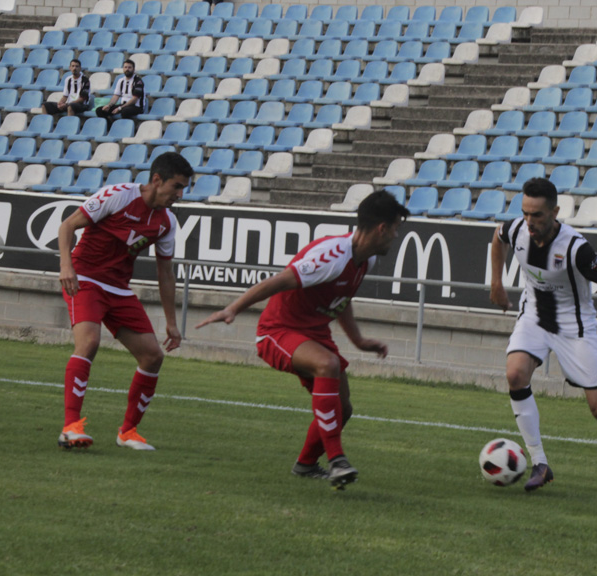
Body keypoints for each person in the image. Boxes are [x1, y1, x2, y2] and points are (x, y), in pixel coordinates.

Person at [196, 191, 409, 490]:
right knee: (327, 363)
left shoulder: (366, 260)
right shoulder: (332, 257)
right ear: (382, 228)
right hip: (278, 330)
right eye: (396, 228)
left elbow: (342, 299)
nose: (396, 236)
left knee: (343, 408)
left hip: (315, 333)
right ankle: (337, 461)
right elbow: (280, 280)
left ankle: (306, 465)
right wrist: (232, 309)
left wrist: (358, 340)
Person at [489, 177, 597, 498]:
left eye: (538, 216)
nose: (529, 222)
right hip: (534, 316)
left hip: (575, 327)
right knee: (515, 374)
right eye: (526, 213)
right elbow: (497, 237)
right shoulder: (517, 229)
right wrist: (497, 283)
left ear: (555, 212)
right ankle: (539, 463)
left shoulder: (576, 249)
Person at [56, 152, 194, 451]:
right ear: (157, 180)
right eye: (176, 186)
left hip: (118, 289)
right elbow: (68, 226)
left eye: (184, 188)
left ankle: (128, 432)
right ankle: (70, 427)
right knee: (89, 343)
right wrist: (66, 268)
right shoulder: (117, 196)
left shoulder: (167, 222)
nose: (180, 194)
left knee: (152, 356)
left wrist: (171, 322)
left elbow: (166, 274)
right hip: (86, 278)